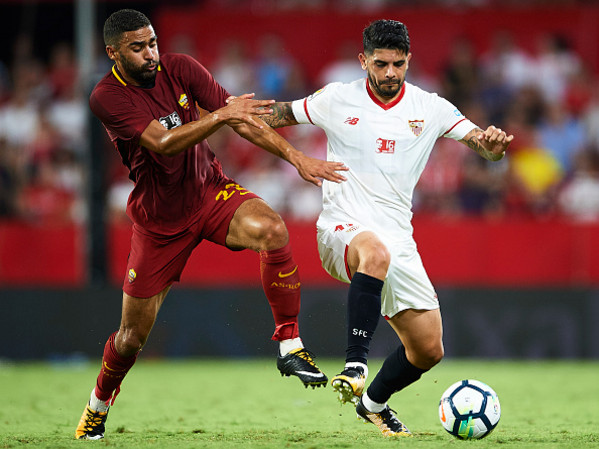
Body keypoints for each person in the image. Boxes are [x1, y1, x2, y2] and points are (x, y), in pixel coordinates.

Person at [75, 9, 348, 440]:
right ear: (113, 52)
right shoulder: (106, 95)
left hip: (210, 192)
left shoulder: (180, 68)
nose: (151, 55)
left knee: (273, 230)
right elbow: (164, 144)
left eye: (152, 43)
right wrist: (220, 116)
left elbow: (240, 116)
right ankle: (98, 405)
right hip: (159, 222)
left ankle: (290, 345)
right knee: (130, 339)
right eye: (137, 48)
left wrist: (297, 158)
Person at [261, 19, 513, 437]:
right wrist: (227, 111)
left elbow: (482, 146)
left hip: (398, 237)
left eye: (398, 64)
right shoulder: (337, 98)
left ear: (409, 60)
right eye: (381, 64)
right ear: (363, 61)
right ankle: (355, 365)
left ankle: (372, 402)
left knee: (429, 349)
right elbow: (279, 115)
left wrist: (491, 147)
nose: (390, 73)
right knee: (374, 252)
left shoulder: (431, 107)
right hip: (341, 228)